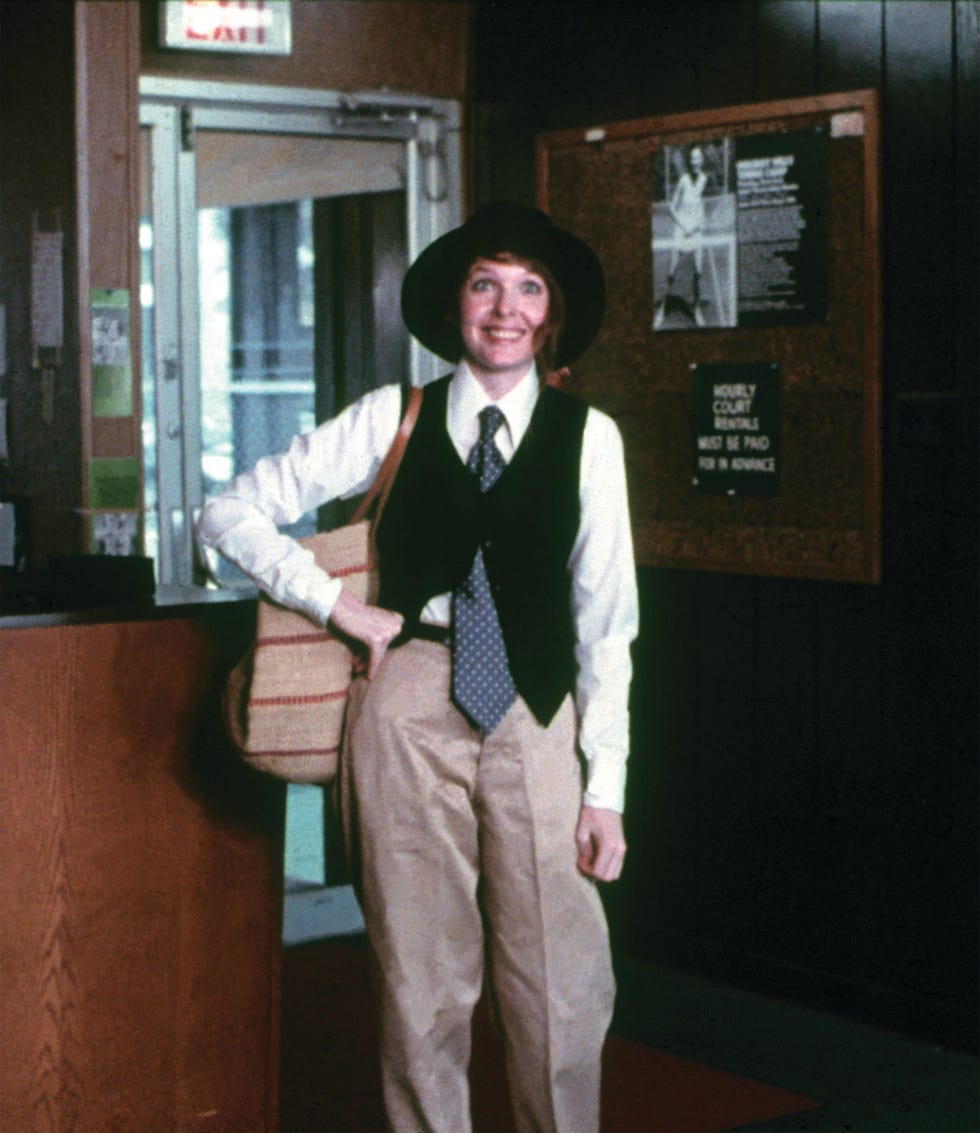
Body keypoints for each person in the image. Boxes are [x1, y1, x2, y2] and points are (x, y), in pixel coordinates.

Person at [198, 201, 639, 1133]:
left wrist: (608, 790)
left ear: (550, 312)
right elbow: (226, 512)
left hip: (538, 706)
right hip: (404, 702)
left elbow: (607, 626)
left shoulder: (589, 438)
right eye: (486, 283)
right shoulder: (391, 417)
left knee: (561, 990)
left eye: (528, 288)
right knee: (420, 985)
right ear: (456, 304)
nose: (506, 308)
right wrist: (334, 603)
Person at [656, 144, 707, 328]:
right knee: (671, 273)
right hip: (681, 230)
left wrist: (700, 222)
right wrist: (684, 225)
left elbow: (700, 204)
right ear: (690, 161)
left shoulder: (704, 179)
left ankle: (697, 309)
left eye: (698, 158)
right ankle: (661, 309)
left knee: (698, 273)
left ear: (702, 160)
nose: (695, 162)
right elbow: (671, 206)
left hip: (696, 231)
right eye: (693, 158)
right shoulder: (684, 180)